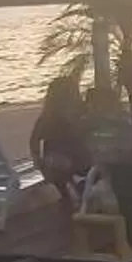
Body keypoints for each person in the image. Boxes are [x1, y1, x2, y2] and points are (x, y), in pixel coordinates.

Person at [30, 74, 93, 207]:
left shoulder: (46, 118)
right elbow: (83, 137)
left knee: (59, 158)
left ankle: (68, 194)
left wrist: (38, 161)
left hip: (54, 164)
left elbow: (34, 141)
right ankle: (78, 192)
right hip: (75, 163)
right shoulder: (79, 114)